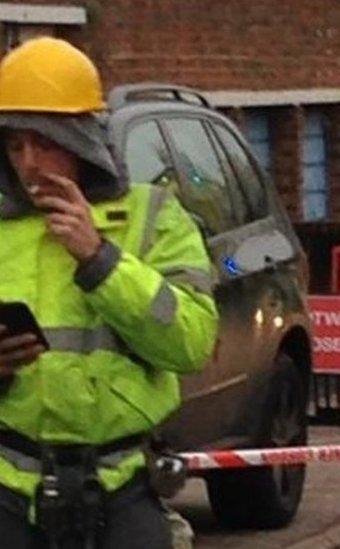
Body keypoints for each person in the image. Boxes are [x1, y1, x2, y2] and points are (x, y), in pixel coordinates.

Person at [0, 38, 218, 548]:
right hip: (9, 493)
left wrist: (99, 258)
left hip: (120, 489)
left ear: (82, 141)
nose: (29, 162)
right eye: (14, 145)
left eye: (45, 142)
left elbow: (190, 343)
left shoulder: (153, 217)